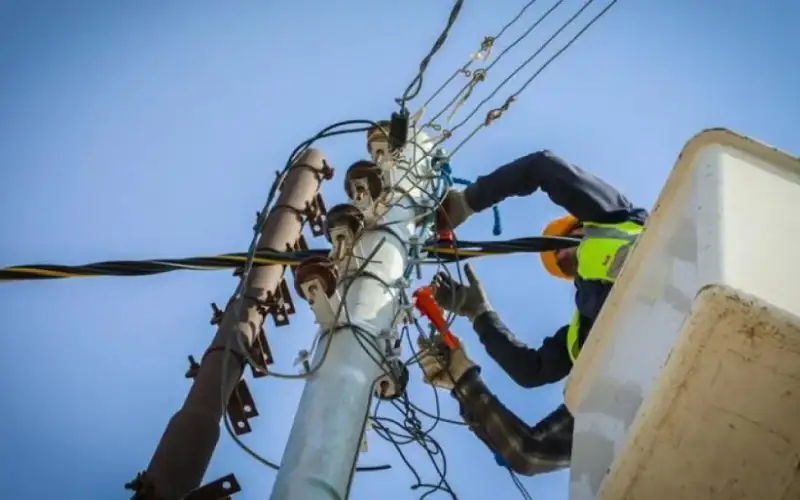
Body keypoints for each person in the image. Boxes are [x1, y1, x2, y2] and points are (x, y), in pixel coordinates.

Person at [416, 149, 648, 475]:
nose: (565, 256)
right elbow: (531, 371)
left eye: (563, 245)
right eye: (565, 265)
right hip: (644, 388)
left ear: (580, 224)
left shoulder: (620, 220)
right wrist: (479, 313)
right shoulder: (584, 335)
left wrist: (466, 202)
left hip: (677, 297)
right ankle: (462, 380)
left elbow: (543, 167)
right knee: (527, 454)